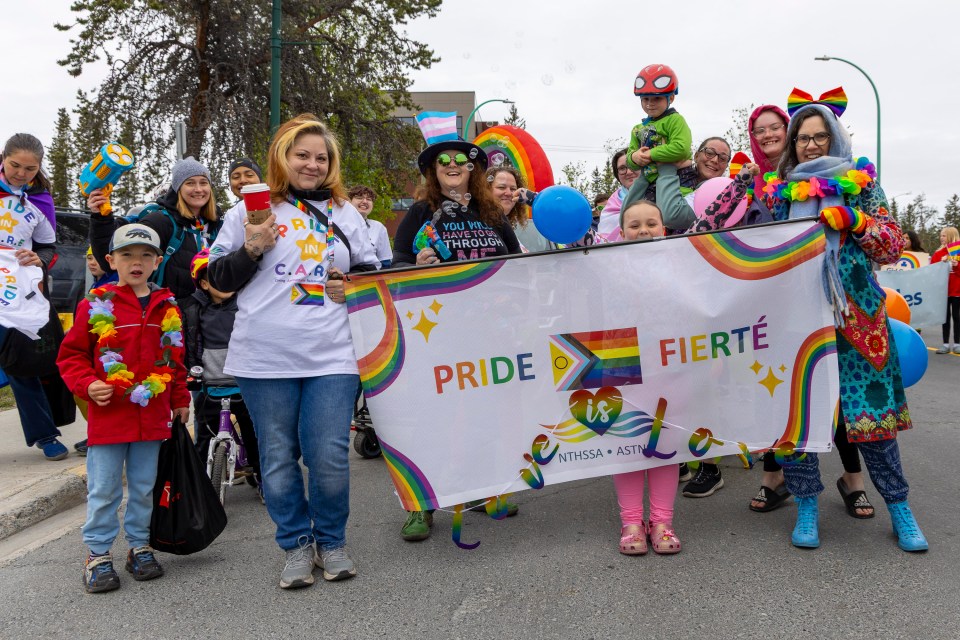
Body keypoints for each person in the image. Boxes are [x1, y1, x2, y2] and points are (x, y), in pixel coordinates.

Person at [207, 113, 378, 588]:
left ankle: (332, 540)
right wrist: (251, 249)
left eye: (321, 157)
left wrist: (354, 286)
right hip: (265, 355)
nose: (312, 164)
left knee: (327, 454)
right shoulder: (248, 211)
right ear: (283, 157)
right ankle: (296, 545)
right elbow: (216, 282)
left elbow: (371, 275)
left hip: (333, 354)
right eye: (302, 155)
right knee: (278, 455)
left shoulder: (347, 213)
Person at [761, 98, 926, 551]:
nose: (810, 145)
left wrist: (857, 220)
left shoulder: (862, 184)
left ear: (834, 138)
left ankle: (900, 509)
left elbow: (892, 245)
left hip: (858, 320)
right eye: (802, 138)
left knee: (872, 421)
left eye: (819, 136)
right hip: (797, 321)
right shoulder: (780, 190)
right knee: (800, 417)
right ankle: (807, 507)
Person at [613, 164, 757, 556]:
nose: (643, 230)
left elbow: (710, 220)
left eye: (651, 224)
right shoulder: (603, 262)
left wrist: (740, 184)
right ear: (621, 232)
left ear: (664, 228)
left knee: (665, 444)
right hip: (624, 366)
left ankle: (661, 521)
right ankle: (630, 523)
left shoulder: (682, 253)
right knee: (626, 446)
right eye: (634, 225)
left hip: (671, 366)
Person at [392, 113, 522, 540]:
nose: (452, 165)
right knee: (432, 418)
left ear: (473, 169)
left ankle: (487, 490)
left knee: (487, 413)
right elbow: (395, 268)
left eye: (461, 160)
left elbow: (517, 266)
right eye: (443, 160)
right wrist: (416, 266)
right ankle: (421, 503)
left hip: (489, 331)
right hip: (436, 333)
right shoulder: (418, 213)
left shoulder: (492, 214)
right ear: (433, 170)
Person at [57, 223, 189, 593]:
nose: (137, 262)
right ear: (111, 259)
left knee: (145, 487)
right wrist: (89, 384)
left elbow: (174, 360)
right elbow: (71, 357)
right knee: (104, 489)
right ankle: (97, 555)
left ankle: (139, 547)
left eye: (146, 255)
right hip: (110, 416)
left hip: (152, 416)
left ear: (158, 261)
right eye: (127, 254)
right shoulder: (97, 304)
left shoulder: (168, 306)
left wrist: (179, 398)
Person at [0, 133, 69, 460]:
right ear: (4, 158)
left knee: (22, 364)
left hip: (17, 294)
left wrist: (38, 259)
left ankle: (46, 436)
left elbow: (48, 247)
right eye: (15, 165)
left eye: (30, 168)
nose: (21, 173)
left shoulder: (41, 199)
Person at [182, 249, 261, 496]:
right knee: (205, 437)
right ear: (203, 283)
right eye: (216, 276)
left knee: (254, 435)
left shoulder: (246, 305)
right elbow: (187, 343)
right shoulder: (192, 310)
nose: (225, 280)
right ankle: (200, 490)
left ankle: (263, 478)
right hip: (209, 384)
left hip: (245, 383)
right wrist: (191, 373)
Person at [88, 156, 222, 302]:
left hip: (214, 315)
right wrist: (101, 218)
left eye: (204, 183)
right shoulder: (160, 222)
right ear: (178, 188)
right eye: (190, 183)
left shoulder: (219, 225)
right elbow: (112, 258)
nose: (198, 189)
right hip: (171, 317)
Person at [625, 64, 696, 203]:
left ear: (670, 98)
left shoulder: (675, 120)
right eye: (645, 99)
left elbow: (681, 148)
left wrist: (651, 154)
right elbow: (629, 159)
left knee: (671, 213)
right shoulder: (637, 129)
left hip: (679, 178)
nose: (650, 103)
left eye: (656, 98)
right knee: (634, 211)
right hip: (650, 182)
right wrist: (634, 157)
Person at [73, 247, 120, 456]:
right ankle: (93, 431)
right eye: (89, 258)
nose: (92, 263)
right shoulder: (95, 288)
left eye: (96, 258)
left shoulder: (113, 286)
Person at [486, 165, 553, 253]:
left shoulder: (509, 230)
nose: (509, 193)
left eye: (513, 189)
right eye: (501, 187)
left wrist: (535, 200)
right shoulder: (476, 227)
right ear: (484, 190)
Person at [596, 149, 641, 240]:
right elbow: (604, 242)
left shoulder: (659, 193)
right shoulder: (610, 206)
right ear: (617, 174)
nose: (628, 172)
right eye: (622, 168)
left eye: (633, 164)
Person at [348, 185, 393, 268]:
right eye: (359, 197)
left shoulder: (379, 228)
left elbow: (385, 262)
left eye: (369, 199)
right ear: (349, 202)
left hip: (370, 278)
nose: (365, 201)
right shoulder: (338, 224)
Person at [931, 226, 960, 354]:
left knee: (957, 317)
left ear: (951, 236)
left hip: (957, 291)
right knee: (945, 317)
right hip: (943, 291)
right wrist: (940, 265)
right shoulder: (938, 254)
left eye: (943, 235)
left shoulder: (958, 253)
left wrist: (957, 266)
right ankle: (945, 344)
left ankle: (958, 344)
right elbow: (931, 272)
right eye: (941, 235)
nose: (941, 238)